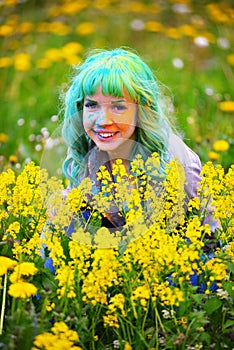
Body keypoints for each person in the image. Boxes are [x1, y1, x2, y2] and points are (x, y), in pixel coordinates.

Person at [61, 47, 202, 231]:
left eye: (118, 107)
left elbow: (209, 240)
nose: (103, 121)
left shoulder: (177, 162)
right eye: (92, 105)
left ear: (141, 110)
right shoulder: (82, 152)